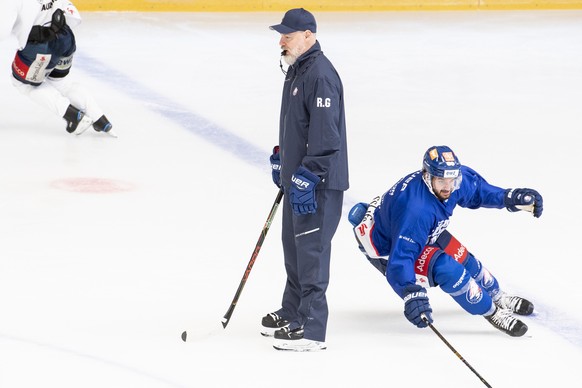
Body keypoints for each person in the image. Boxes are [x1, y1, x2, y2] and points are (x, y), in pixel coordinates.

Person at [348, 145, 543, 337]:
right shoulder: (415, 210)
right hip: (388, 248)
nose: (448, 187)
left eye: (452, 179)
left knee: (465, 259)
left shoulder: (451, 180)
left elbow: (478, 191)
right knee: (450, 270)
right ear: (427, 175)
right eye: (441, 180)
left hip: (422, 231)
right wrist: (410, 292)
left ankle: (498, 296)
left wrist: (510, 197)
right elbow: (401, 259)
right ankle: (493, 312)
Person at [261, 8, 349, 352]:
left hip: (319, 184)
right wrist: (284, 158)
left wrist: (307, 175)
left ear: (308, 36)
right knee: (294, 251)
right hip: (298, 178)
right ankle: (293, 310)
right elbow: (299, 126)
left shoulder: (320, 76)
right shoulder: (298, 70)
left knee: (311, 253)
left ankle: (311, 329)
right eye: (281, 34)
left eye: (288, 34)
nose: (281, 40)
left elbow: (327, 139)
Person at [0, 0, 115, 137]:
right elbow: (74, 15)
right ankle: (100, 119)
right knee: (61, 82)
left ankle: (72, 116)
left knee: (23, 84)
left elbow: (2, 31)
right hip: (65, 39)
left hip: (40, 47)